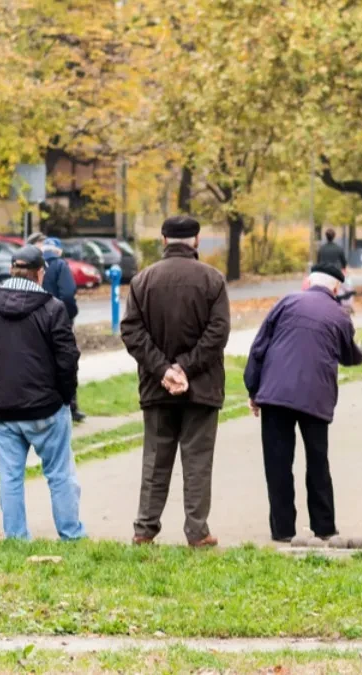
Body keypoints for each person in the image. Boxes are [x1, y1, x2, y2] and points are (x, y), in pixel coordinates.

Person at [121, 214, 229, 548]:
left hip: (157, 388)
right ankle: (197, 532)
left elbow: (131, 331)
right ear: (196, 241)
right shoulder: (213, 280)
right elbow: (218, 332)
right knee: (197, 460)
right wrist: (186, 368)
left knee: (155, 459)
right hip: (202, 387)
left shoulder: (143, 281)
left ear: (164, 240)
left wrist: (163, 370)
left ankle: (144, 529)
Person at [0, 245, 85, 541]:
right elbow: (67, 359)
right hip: (47, 408)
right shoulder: (53, 308)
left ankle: (16, 536)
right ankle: (71, 534)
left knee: (10, 476)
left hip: (3, 409)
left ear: (12, 271)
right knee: (60, 475)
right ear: (40, 273)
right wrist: (65, 397)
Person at [244, 264, 362, 543]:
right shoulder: (340, 315)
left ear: (308, 283)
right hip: (316, 398)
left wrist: (254, 389)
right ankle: (324, 527)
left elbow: (259, 347)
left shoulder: (286, 302)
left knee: (277, 463)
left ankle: (283, 530)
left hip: (275, 395)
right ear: (336, 289)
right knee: (317, 462)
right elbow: (348, 355)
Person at [38, 236, 85, 423]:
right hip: (59, 322)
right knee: (66, 361)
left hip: (36, 321)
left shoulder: (37, 267)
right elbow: (67, 293)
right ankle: (70, 406)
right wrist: (70, 315)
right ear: (58, 251)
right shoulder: (60, 266)